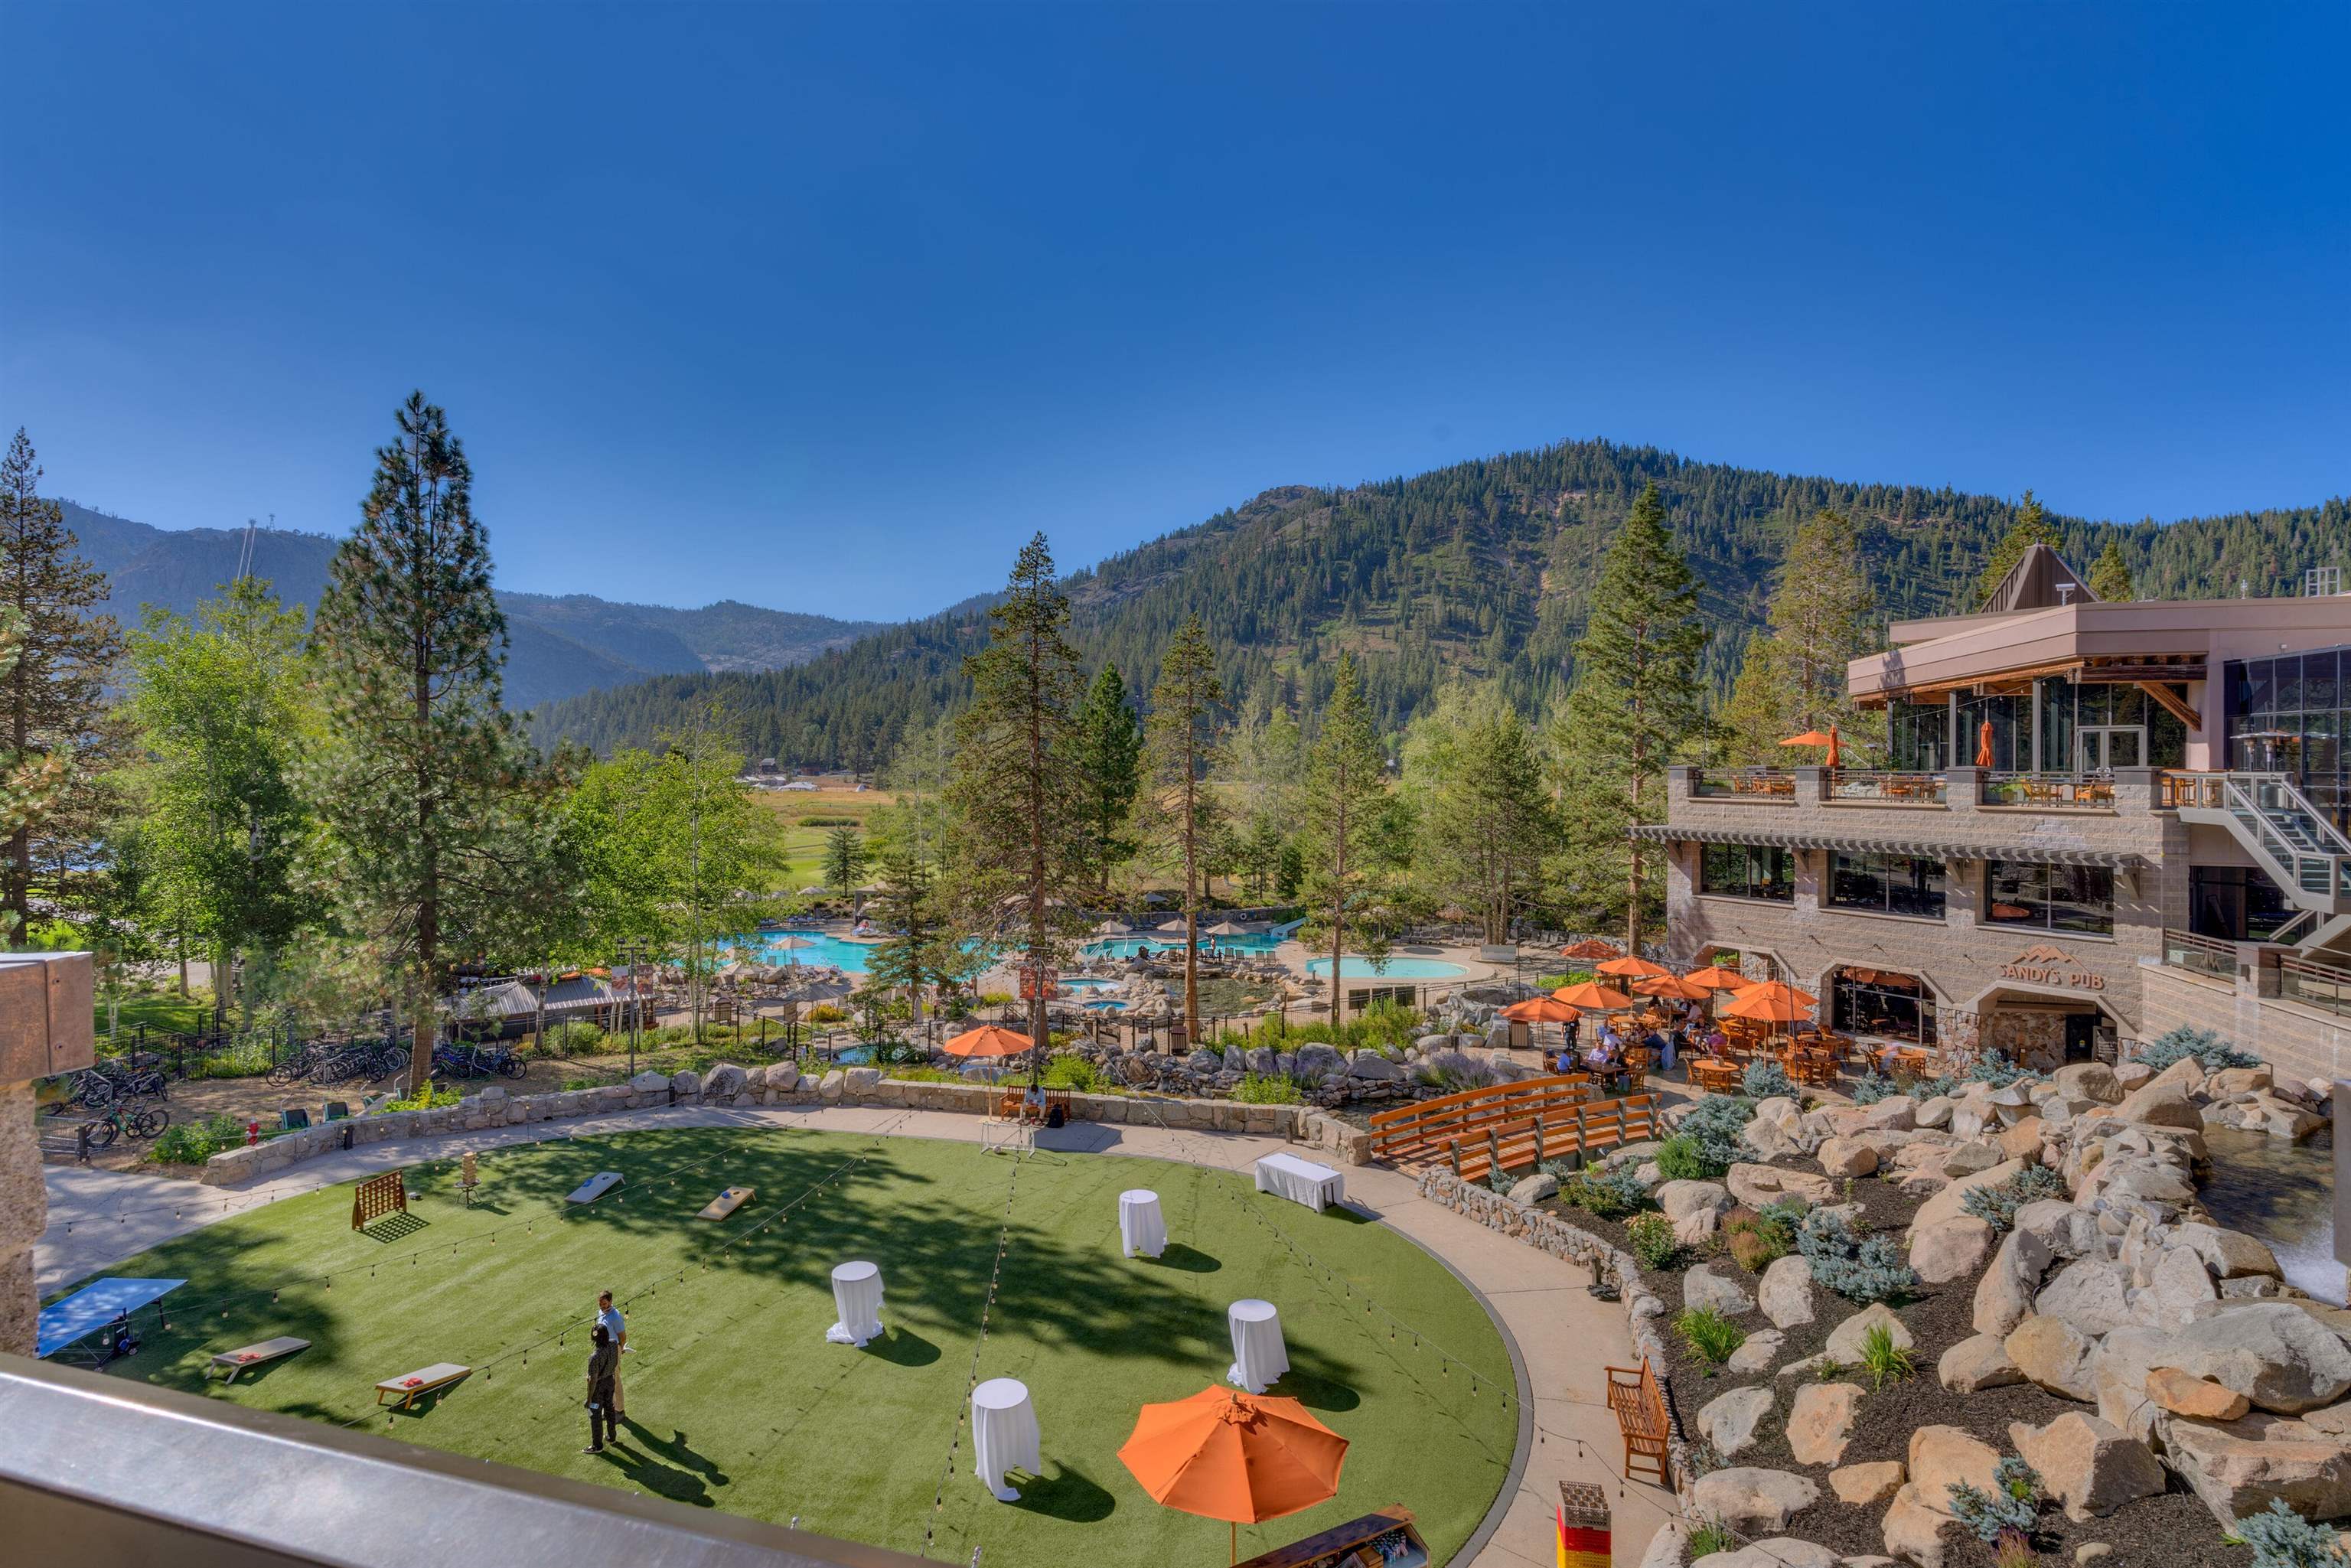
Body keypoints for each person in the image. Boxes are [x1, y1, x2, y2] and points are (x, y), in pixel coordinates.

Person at [583, 1324, 618, 1454]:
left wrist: (589, 1399)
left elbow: (593, 1381)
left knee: (596, 1415)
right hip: (610, 1381)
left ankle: (597, 1446)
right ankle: (612, 1436)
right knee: (610, 1408)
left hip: (598, 1387)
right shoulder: (613, 1344)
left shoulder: (594, 1357)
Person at [596, 1290, 627, 1418]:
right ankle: (610, 1407)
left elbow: (623, 1336)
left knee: (615, 1380)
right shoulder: (600, 1313)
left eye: (604, 1304)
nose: (602, 1307)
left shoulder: (616, 1316)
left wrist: (620, 1348)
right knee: (605, 1380)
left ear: (611, 1302)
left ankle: (620, 1410)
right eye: (600, 1304)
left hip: (613, 1350)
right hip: (603, 1350)